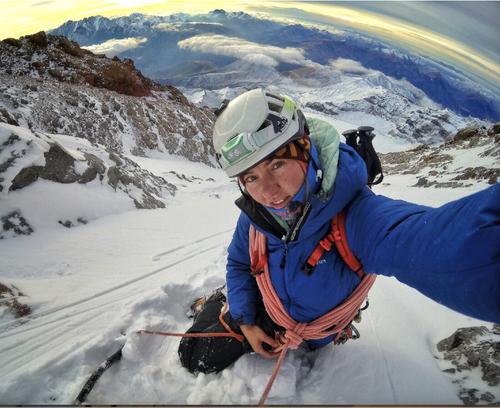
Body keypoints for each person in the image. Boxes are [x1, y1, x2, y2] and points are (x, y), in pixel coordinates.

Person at [178, 88, 500, 374]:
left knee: (197, 354)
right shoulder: (257, 214)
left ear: (304, 148)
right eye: (251, 177)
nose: (269, 191)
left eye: (277, 165)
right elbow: (238, 263)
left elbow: (440, 245)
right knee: (195, 354)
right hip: (268, 311)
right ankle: (225, 301)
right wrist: (246, 321)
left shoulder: (357, 216)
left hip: (316, 331)